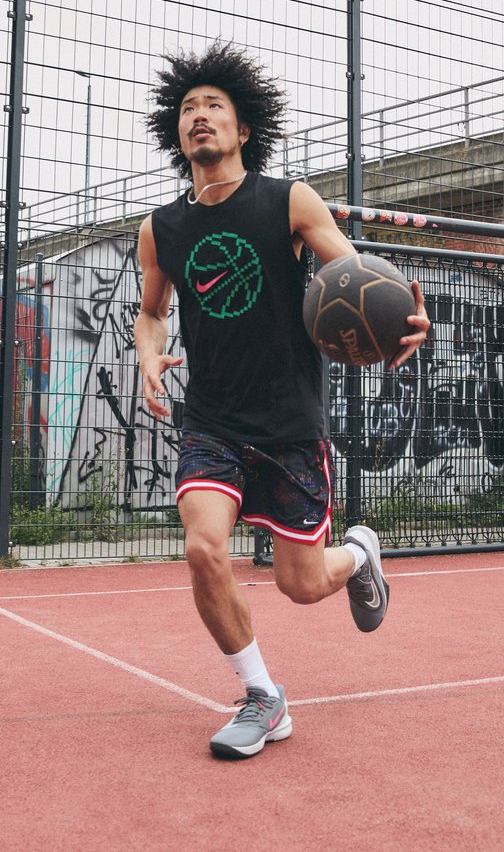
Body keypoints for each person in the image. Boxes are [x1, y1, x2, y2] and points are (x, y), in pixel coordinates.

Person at [134, 42, 430, 760]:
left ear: (242, 129)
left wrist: (402, 319)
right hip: (212, 419)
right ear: (178, 134)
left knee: (302, 583)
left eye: (214, 106)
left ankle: (358, 554)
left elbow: (355, 274)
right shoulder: (161, 229)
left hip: (290, 418)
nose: (199, 116)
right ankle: (263, 696)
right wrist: (148, 354)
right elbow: (151, 312)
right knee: (204, 547)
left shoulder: (287, 200)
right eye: (188, 108)